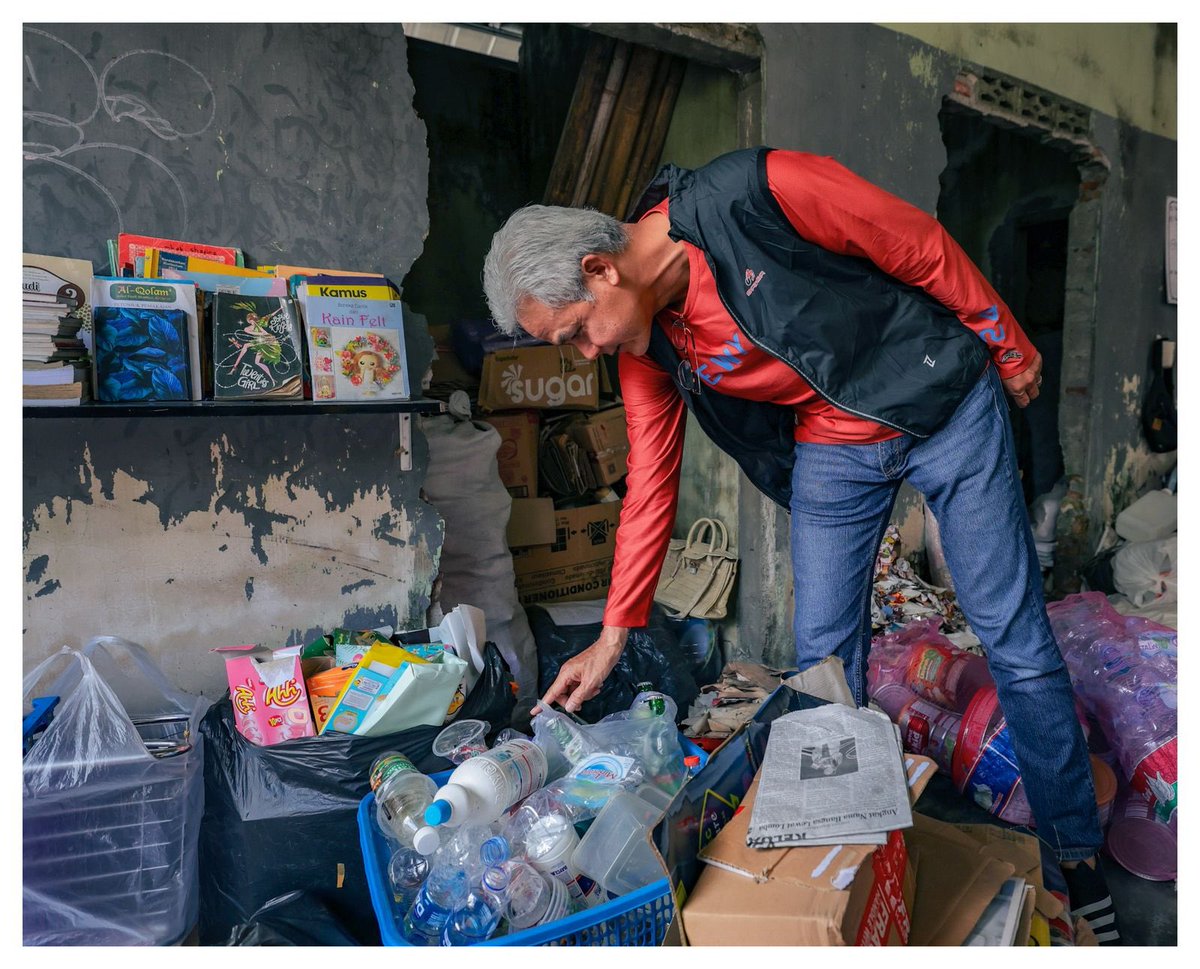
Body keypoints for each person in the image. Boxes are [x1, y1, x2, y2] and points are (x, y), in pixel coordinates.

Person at [482, 147, 1119, 944]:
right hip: (834, 448)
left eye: (577, 332)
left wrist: (1008, 342)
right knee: (824, 670)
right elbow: (648, 484)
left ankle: (1074, 854)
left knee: (1013, 635)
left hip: (943, 401)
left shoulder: (757, 191)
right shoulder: (650, 349)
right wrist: (611, 637)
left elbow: (916, 243)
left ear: (600, 269)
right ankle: (843, 877)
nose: (587, 353)